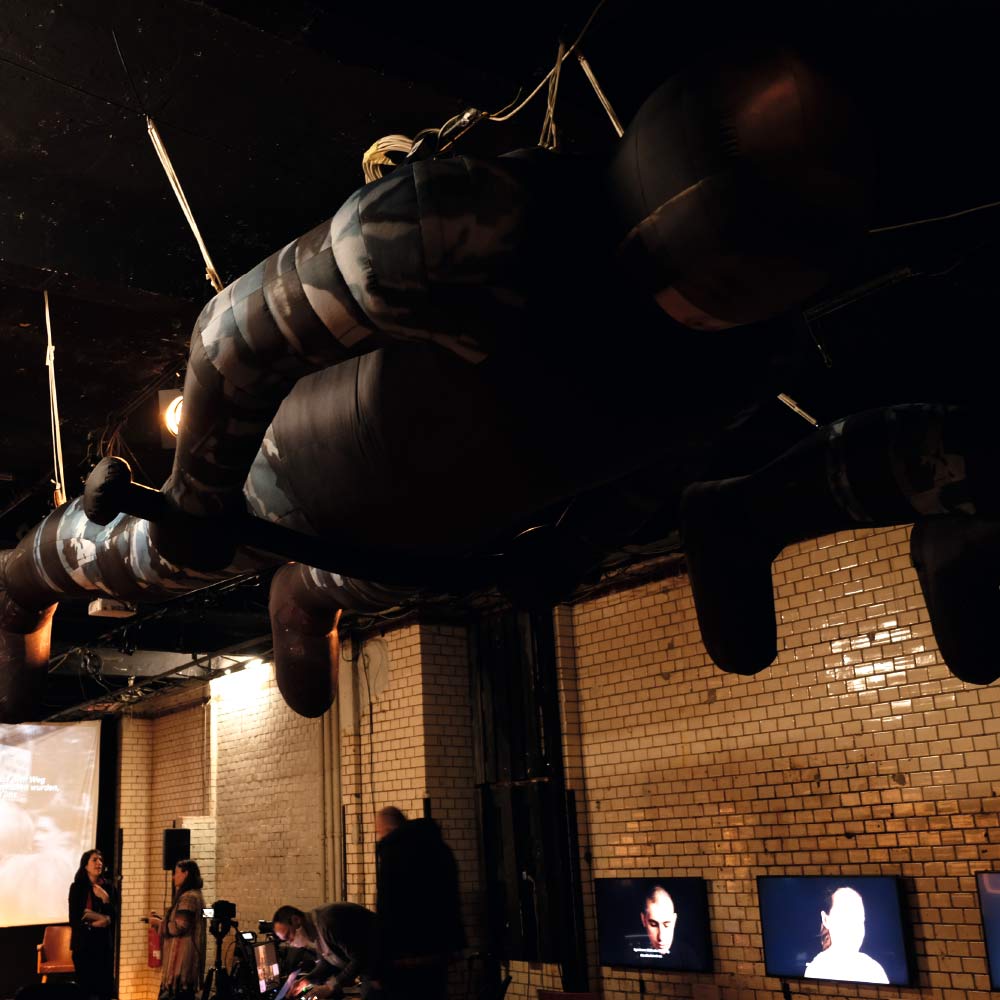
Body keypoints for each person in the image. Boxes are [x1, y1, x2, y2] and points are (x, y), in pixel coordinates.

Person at [375, 806, 464, 1000]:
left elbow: (388, 908)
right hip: (439, 948)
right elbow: (451, 898)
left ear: (386, 829)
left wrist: (381, 960)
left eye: (379, 831)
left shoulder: (393, 854)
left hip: (405, 953)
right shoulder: (440, 849)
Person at [803, 886, 889, 984]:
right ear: (826, 919)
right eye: (845, 917)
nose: (854, 927)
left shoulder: (874, 970)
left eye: (859, 920)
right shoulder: (816, 971)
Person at [149, 859, 205, 999]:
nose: (174, 877)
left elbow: (180, 926)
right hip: (184, 966)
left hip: (181, 966)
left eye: (176, 873)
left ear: (186, 874)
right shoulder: (194, 895)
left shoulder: (189, 898)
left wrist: (159, 924)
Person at [67, 849, 115, 1000]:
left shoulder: (108, 887)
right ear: (85, 866)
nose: (99, 863)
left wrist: (105, 899)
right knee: (85, 990)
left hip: (103, 945)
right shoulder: (77, 887)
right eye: (94, 860)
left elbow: (115, 915)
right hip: (83, 945)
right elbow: (73, 919)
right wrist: (92, 925)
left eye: (100, 860)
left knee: (104, 990)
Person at [309, 902, 379, 999]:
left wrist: (329, 987)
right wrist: (307, 979)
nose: (290, 942)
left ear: (296, 920)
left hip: (380, 959)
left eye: (289, 935)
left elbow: (359, 959)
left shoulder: (327, 922)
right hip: (369, 965)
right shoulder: (317, 928)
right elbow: (326, 963)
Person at [623, 885, 698, 967]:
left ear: (674, 920)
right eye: (653, 924)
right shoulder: (631, 956)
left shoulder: (688, 956)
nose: (661, 937)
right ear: (643, 920)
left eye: (667, 924)